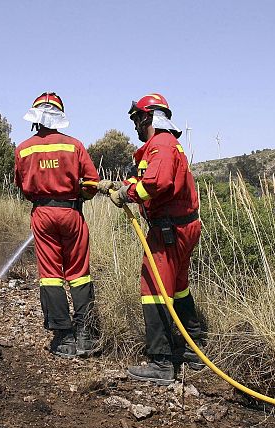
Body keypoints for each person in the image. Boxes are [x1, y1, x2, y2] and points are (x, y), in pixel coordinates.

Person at [98, 93, 204, 385]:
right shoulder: (161, 147)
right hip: (180, 228)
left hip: (169, 231)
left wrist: (127, 194)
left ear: (148, 117)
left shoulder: (162, 145)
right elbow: (145, 178)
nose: (135, 125)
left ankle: (161, 363)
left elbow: (158, 182)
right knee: (178, 288)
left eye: (136, 119)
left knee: (154, 289)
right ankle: (194, 349)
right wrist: (118, 186)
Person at [14, 92, 100, 359]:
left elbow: (22, 186)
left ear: (35, 117)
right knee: (79, 271)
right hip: (71, 213)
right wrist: (78, 194)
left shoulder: (23, 149)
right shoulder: (74, 146)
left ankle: (64, 337)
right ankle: (85, 334)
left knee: (50, 273)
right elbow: (92, 184)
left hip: (42, 214)